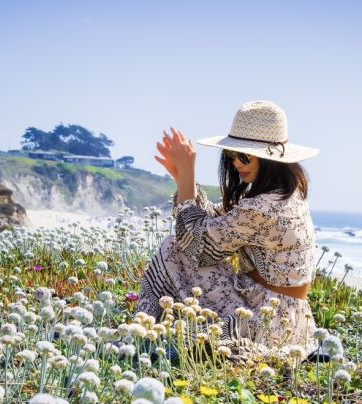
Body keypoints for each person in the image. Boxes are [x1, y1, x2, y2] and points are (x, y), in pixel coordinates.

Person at [137, 100, 321, 361]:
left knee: (173, 250)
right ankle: (152, 334)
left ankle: (142, 334)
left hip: (264, 317)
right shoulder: (286, 195)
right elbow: (215, 225)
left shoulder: (263, 207)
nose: (236, 163)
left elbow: (195, 246)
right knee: (178, 248)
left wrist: (187, 173)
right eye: (231, 155)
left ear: (270, 159)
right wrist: (183, 179)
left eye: (244, 156)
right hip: (287, 316)